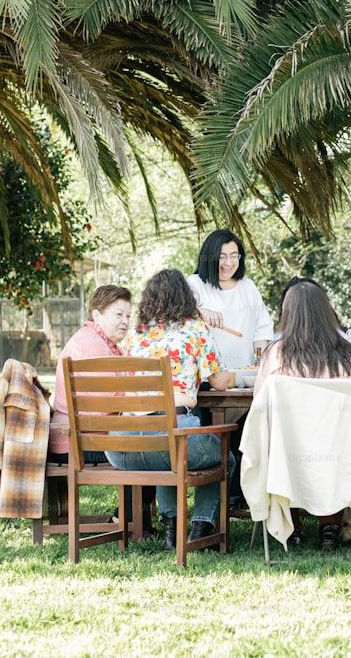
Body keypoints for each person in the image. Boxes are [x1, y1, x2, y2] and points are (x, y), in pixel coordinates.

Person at [105, 269, 234, 551]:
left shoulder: (134, 335)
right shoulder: (195, 329)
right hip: (167, 439)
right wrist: (236, 374)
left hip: (121, 448)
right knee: (223, 456)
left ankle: (170, 531)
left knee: (168, 447)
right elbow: (221, 382)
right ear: (186, 299)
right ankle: (201, 528)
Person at [254, 279, 351, 551]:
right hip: (336, 452)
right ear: (327, 311)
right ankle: (330, 525)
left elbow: (259, 403)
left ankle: (292, 526)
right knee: (335, 445)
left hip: (287, 453)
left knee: (279, 445)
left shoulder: (274, 354)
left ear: (287, 314)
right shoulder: (348, 354)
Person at [47, 285, 154, 533]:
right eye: (118, 315)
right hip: (78, 441)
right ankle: (125, 522)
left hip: (80, 435)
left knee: (151, 442)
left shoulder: (101, 343)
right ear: (97, 315)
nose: (126, 322)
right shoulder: (92, 345)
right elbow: (115, 402)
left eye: (128, 315)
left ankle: (131, 520)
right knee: (151, 450)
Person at [186, 229, 275, 370]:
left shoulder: (248, 286)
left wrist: (259, 360)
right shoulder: (195, 284)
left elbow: (261, 331)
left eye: (234, 256)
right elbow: (177, 316)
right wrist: (200, 311)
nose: (228, 263)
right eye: (222, 257)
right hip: (206, 377)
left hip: (243, 375)